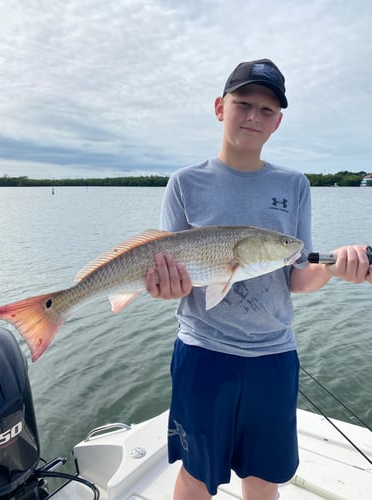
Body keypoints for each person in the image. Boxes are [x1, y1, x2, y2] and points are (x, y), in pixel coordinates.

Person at [145, 58, 372, 500]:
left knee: (264, 476)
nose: (253, 117)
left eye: (266, 110)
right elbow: (167, 271)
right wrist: (161, 287)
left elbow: (297, 274)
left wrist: (331, 268)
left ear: (278, 122)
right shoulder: (184, 183)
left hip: (273, 356)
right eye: (243, 103)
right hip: (202, 353)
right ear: (219, 107)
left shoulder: (295, 186)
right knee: (196, 474)